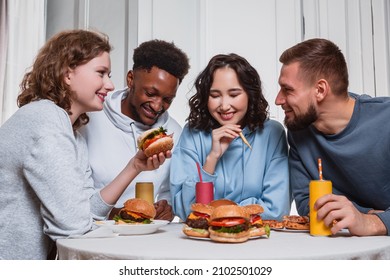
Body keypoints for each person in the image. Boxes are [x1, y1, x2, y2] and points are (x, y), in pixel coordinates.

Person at [0, 30, 170, 260]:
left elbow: (88, 211)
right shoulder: (45, 122)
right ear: (67, 73)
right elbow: (73, 226)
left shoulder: (72, 134)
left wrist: (135, 166)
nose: (109, 85)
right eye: (101, 73)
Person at [275, 38, 390, 236]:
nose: (278, 100)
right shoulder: (298, 131)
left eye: (288, 89)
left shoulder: (386, 120)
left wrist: (372, 222)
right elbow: (306, 204)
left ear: (320, 90)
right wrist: (368, 214)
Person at [170, 53, 291, 221]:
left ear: (250, 94)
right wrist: (212, 159)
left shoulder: (272, 133)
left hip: (256, 243)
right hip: (203, 243)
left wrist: (217, 209)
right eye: (215, 95)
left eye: (234, 94)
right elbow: (184, 210)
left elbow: (276, 210)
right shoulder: (192, 133)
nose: (225, 106)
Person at [80, 39, 190, 221]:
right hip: (94, 236)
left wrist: (166, 209)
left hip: (146, 241)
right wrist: (119, 214)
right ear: (130, 79)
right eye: (150, 93)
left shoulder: (173, 133)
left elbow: (168, 191)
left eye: (167, 99)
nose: (157, 106)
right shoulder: (89, 118)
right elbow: (74, 200)